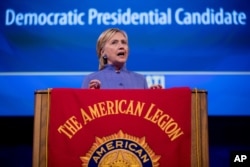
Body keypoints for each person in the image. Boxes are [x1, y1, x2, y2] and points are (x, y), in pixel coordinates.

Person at [81, 28, 162, 89]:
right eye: (114, 43)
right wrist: (90, 96)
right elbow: (83, 110)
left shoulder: (141, 80)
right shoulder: (91, 80)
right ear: (103, 52)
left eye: (124, 42)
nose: (121, 46)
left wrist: (153, 97)